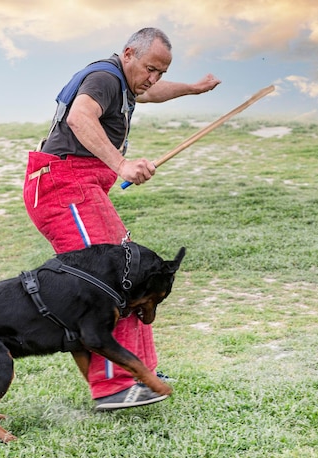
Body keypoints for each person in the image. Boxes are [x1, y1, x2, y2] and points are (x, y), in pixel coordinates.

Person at [23, 27, 220, 410]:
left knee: (132, 273)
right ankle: (113, 386)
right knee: (108, 284)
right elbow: (81, 118)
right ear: (128, 52)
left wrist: (193, 89)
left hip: (83, 188)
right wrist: (121, 163)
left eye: (161, 72)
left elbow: (150, 93)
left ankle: (140, 373)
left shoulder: (125, 82)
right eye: (151, 68)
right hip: (63, 189)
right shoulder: (103, 77)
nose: (154, 79)